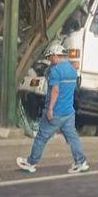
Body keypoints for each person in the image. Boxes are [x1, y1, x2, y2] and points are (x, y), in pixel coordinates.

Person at [17, 41, 90, 174]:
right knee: (72, 137)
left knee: (41, 137)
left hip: (55, 112)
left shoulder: (55, 71)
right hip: (68, 112)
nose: (50, 60)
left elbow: (55, 90)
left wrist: (50, 108)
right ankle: (81, 162)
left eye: (50, 57)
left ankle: (31, 162)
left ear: (56, 55)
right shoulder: (72, 70)